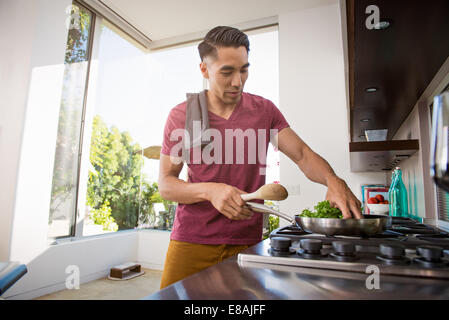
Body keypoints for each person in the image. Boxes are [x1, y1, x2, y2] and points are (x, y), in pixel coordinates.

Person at [158, 26, 362, 289]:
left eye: (244, 69)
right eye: (227, 72)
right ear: (204, 70)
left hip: (247, 242)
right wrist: (210, 191)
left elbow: (302, 155)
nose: (238, 81)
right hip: (191, 241)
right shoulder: (182, 115)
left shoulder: (264, 111)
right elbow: (166, 183)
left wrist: (332, 180)